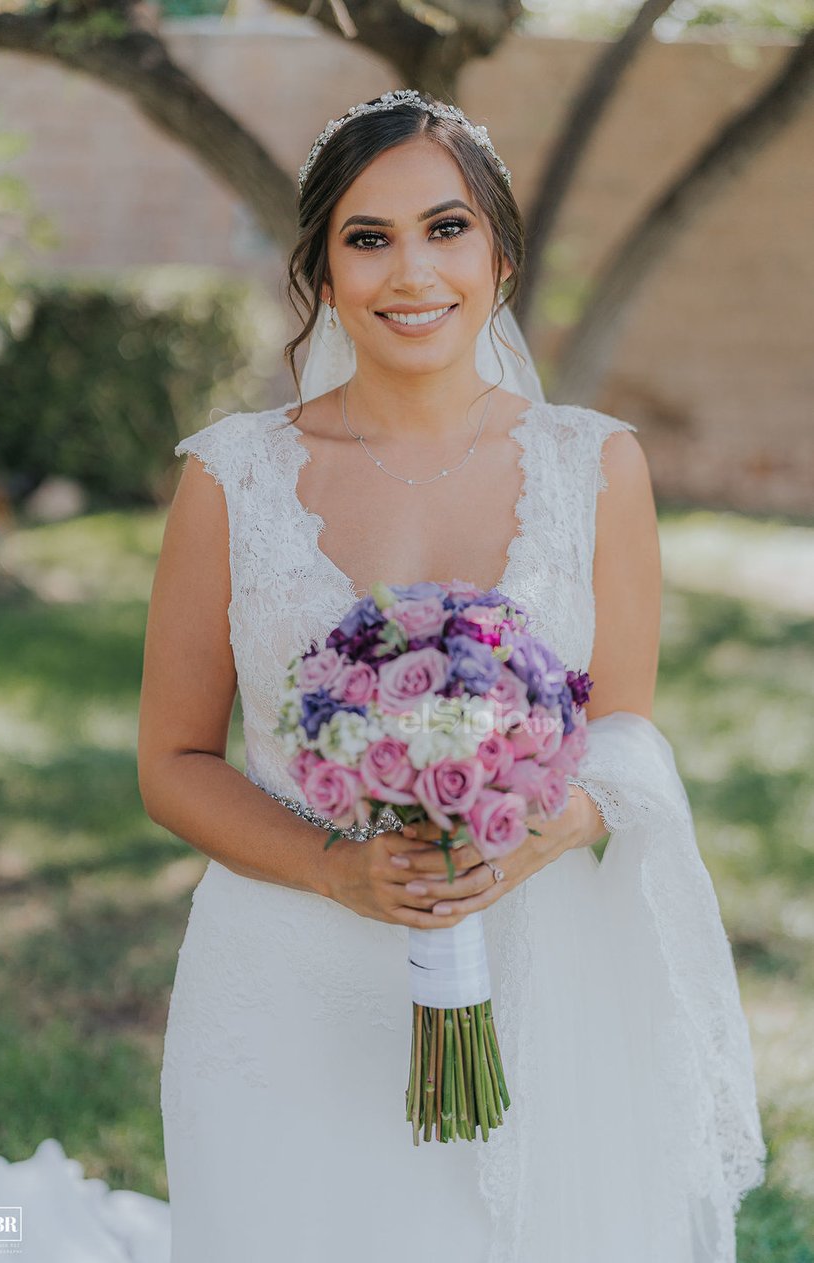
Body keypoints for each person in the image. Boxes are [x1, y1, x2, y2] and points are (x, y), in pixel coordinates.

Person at [135, 91, 766, 1262]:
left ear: (502, 257)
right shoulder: (231, 478)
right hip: (289, 978)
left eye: (446, 228)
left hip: (535, 962)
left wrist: (538, 830)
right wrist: (336, 870)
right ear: (320, 272)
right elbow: (172, 762)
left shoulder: (594, 466)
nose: (409, 272)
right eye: (365, 239)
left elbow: (622, 726)